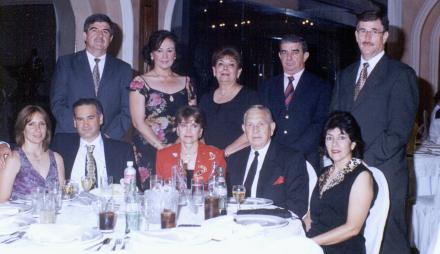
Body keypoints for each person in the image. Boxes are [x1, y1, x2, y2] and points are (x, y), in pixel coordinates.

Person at [330, 10, 418, 254]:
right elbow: (334, 123)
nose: (367, 37)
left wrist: (358, 162)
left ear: (385, 36)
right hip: (347, 173)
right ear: (356, 35)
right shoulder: (345, 75)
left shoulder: (402, 75)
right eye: (362, 31)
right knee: (353, 238)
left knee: (389, 241)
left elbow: (397, 134)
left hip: (384, 173)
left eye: (374, 31)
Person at [304, 111, 377, 254]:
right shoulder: (324, 173)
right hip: (315, 246)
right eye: (329, 138)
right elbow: (309, 218)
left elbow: (352, 228)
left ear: (353, 144)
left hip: (342, 248)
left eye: (342, 137)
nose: (334, 144)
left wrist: (309, 243)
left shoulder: (361, 176)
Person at [51, 13, 132, 140]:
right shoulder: (66, 63)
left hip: (109, 140)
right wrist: (82, 131)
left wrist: (106, 137)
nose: (100, 35)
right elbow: (57, 103)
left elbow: (127, 110)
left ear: (110, 38)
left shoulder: (123, 69)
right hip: (70, 136)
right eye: (94, 30)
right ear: (85, 35)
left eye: (105, 31)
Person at [129, 30, 196, 183]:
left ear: (175, 54)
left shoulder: (187, 82)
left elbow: (192, 118)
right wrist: (162, 147)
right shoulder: (140, 82)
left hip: (181, 145)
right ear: (152, 54)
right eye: (159, 50)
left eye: (169, 50)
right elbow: (137, 122)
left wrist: (179, 142)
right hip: (149, 148)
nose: (165, 56)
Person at [259, 34, 331, 170]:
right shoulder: (267, 86)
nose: (289, 57)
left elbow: (320, 124)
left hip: (305, 160)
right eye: (284, 52)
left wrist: (291, 153)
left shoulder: (320, 86)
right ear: (279, 56)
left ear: (305, 56)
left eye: (295, 52)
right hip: (272, 160)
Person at [226, 105, 308, 217]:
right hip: (237, 224)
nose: (256, 130)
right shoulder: (234, 159)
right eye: (250, 125)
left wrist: (259, 217)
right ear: (244, 129)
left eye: (261, 124)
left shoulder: (291, 159)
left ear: (272, 128)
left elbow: (298, 205)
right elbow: (226, 200)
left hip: (273, 225)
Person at [51, 98, 135, 189]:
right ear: (75, 122)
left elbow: (133, 188)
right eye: (80, 119)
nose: (85, 124)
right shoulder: (60, 144)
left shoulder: (122, 150)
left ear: (101, 119)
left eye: (90, 118)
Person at [200, 46, 259, 157]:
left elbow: (253, 132)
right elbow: (199, 130)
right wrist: (207, 153)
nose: (225, 68)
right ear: (214, 70)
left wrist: (223, 153)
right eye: (221, 64)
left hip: (239, 159)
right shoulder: (205, 99)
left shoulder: (250, 97)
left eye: (231, 64)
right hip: (208, 159)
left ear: (238, 72)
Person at [0, 105, 65, 202]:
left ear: (47, 128)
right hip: (19, 216)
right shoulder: (14, 159)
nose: (38, 129)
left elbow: (62, 197)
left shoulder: (57, 158)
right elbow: (2, 200)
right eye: (31, 124)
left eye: (42, 124)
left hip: (51, 216)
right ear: (22, 129)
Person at [156, 106, 226, 186]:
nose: (188, 131)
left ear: (200, 132)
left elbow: (220, 192)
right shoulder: (163, 155)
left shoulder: (216, 156)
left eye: (194, 126)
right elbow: (159, 192)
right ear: (178, 130)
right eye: (183, 125)